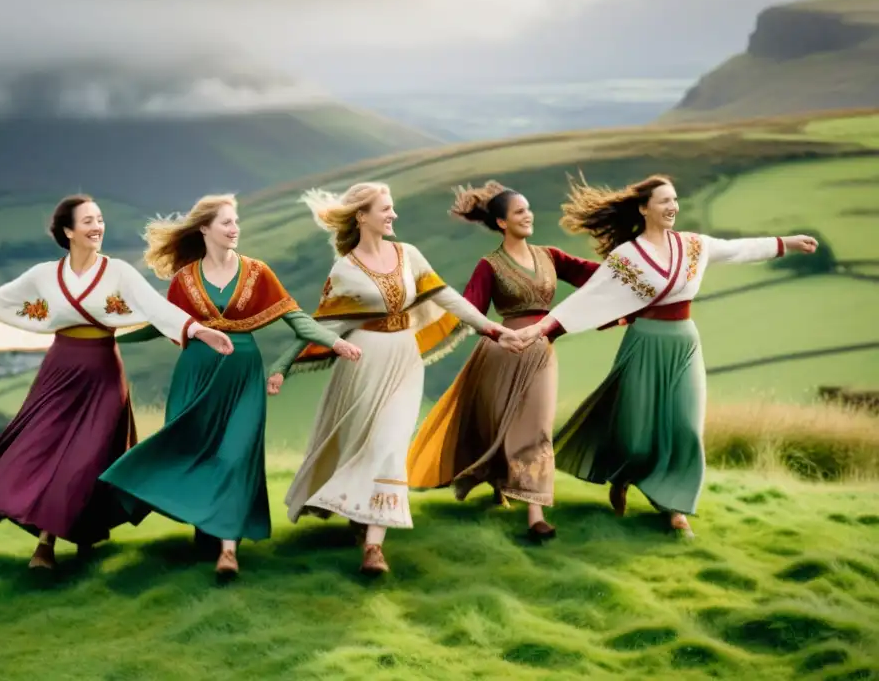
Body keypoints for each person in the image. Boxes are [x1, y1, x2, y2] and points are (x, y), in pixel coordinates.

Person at [0, 194, 234, 569]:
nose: (97, 227)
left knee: (86, 460)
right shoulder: (43, 276)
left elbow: (156, 307)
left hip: (103, 374)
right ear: (68, 231)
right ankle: (49, 541)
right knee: (40, 448)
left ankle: (59, 540)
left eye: (99, 219)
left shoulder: (118, 272)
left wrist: (199, 331)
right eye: (87, 221)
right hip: (60, 371)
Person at [516, 175, 818, 537]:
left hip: (684, 343)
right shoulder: (627, 256)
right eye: (664, 201)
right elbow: (590, 298)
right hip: (644, 343)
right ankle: (624, 475)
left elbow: (737, 249)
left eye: (675, 199)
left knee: (686, 427)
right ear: (644, 209)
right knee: (636, 436)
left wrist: (786, 242)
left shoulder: (693, 245)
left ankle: (675, 509)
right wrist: (540, 330)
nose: (672, 206)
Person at [99, 194, 361, 579]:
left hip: (242, 378)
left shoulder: (258, 272)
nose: (235, 228)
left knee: (234, 456)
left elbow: (297, 319)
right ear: (204, 229)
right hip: (196, 375)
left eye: (236, 221)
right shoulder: (184, 280)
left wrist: (334, 341)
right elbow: (161, 325)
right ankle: (206, 532)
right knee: (195, 454)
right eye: (226, 222)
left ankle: (228, 550)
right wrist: (109, 337)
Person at [267, 181, 521, 575]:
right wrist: (281, 366)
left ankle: (374, 549)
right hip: (363, 362)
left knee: (389, 444)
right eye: (385, 208)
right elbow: (321, 325)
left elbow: (447, 297)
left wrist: (491, 328)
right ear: (362, 216)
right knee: (362, 446)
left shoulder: (409, 255)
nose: (393, 214)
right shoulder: (345, 271)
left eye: (392, 207)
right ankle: (359, 513)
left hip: (404, 360)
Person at [407, 181, 598, 541]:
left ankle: (535, 512)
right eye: (519, 212)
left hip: (540, 352)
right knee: (498, 426)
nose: (528, 216)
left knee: (537, 428)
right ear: (501, 223)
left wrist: (633, 269)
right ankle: (499, 485)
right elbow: (470, 310)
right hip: (500, 352)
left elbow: (597, 276)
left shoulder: (551, 257)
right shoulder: (489, 265)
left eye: (528, 209)